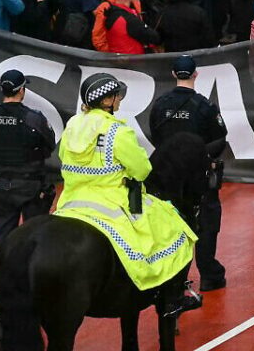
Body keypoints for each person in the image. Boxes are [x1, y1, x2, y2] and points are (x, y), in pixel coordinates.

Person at [51, 74, 200, 316]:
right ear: (107, 100)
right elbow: (142, 170)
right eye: (116, 96)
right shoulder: (117, 132)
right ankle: (173, 298)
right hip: (113, 201)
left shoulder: (72, 126)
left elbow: (63, 160)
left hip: (71, 200)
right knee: (174, 229)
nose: (119, 99)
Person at [148, 54, 229, 291]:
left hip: (167, 176)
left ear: (173, 74)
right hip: (198, 176)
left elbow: (155, 135)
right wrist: (201, 157)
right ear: (196, 74)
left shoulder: (160, 105)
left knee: (168, 224)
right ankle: (208, 273)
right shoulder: (204, 106)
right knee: (206, 221)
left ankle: (172, 276)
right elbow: (219, 139)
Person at [0, 69, 54, 247]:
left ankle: (6, 269)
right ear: (21, 90)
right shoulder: (33, 119)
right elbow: (49, 145)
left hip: (0, 184)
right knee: (35, 236)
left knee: (2, 237)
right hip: (31, 184)